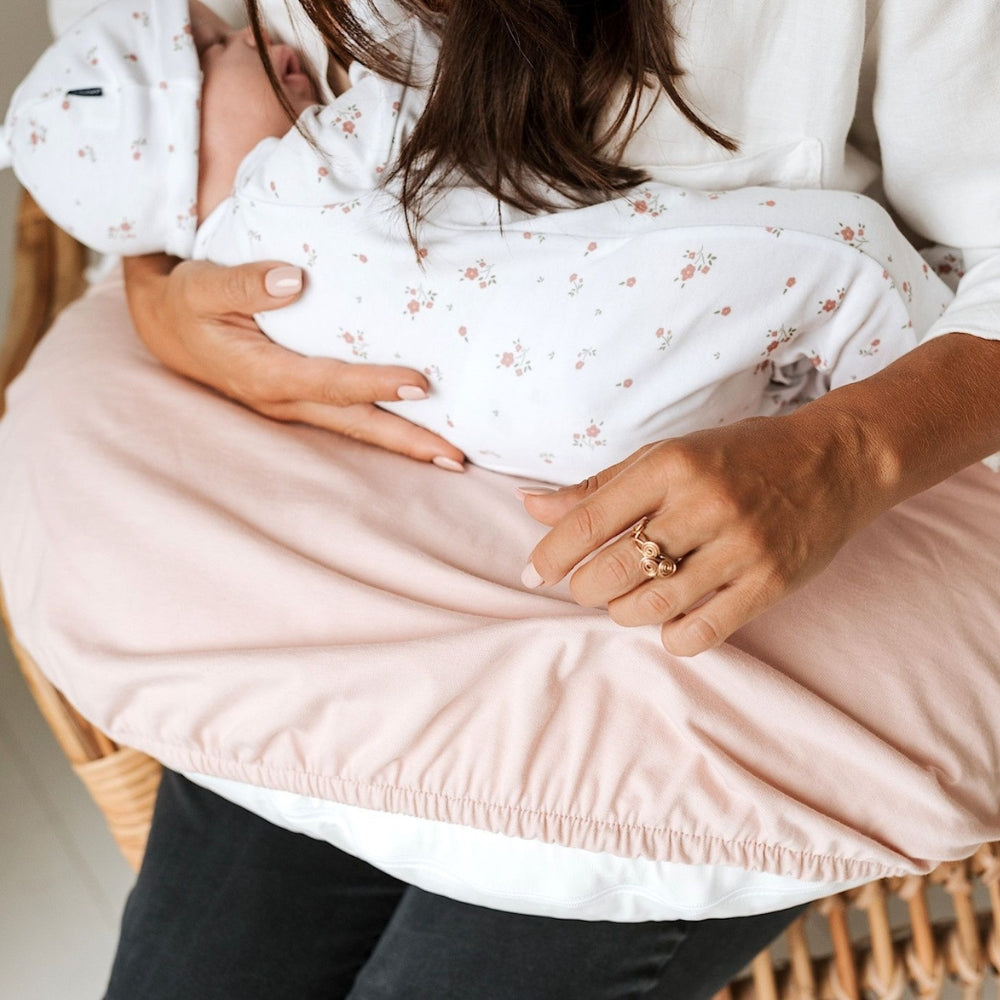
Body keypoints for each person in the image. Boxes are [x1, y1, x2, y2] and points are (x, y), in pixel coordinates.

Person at [1, 1, 999, 998]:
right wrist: (168, 287)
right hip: (342, 507)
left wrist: (849, 450)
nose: (254, 44)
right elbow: (119, 82)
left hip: (807, 450)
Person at [1, 0, 950, 484]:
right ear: (169, 154)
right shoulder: (303, 169)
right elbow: (424, 78)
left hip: (555, 443)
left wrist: (158, 285)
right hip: (590, 350)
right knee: (848, 255)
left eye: (221, 35)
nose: (253, 42)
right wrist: (154, 301)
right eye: (213, 52)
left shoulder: (244, 276)